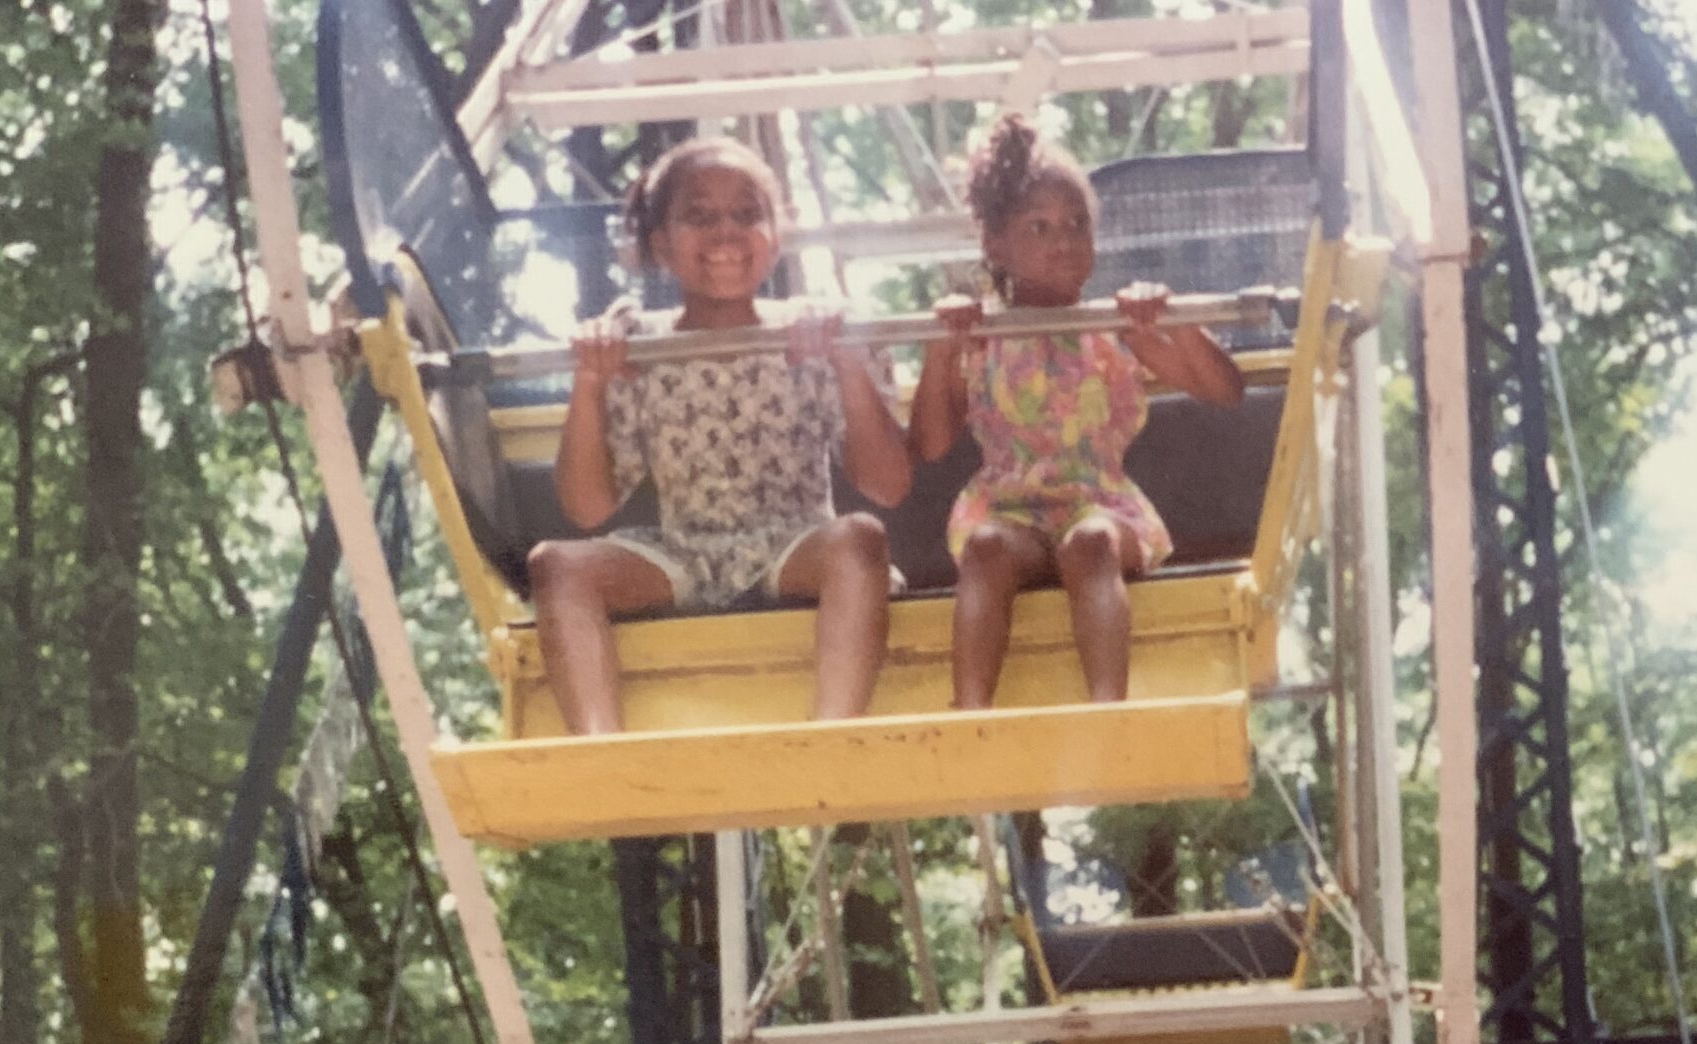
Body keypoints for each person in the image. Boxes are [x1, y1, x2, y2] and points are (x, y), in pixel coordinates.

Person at [533, 136, 911, 732]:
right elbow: (587, 509)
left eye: (746, 213)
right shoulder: (638, 344)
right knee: (557, 564)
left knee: (860, 538)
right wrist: (589, 381)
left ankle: (832, 736)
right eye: (699, 216)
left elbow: (887, 485)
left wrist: (846, 361)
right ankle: (600, 752)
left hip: (794, 543)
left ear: (776, 234)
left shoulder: (812, 329)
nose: (725, 234)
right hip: (684, 551)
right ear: (661, 244)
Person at [908, 112, 1244, 709]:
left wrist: (1173, 320)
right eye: (1039, 227)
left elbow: (1223, 389)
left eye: (1076, 224)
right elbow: (932, 444)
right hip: (1012, 510)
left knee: (1089, 544)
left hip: (1100, 504)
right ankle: (971, 712)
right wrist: (942, 347)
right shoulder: (984, 336)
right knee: (985, 549)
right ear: (995, 244)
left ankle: (1107, 708)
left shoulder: (1113, 327)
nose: (1063, 240)